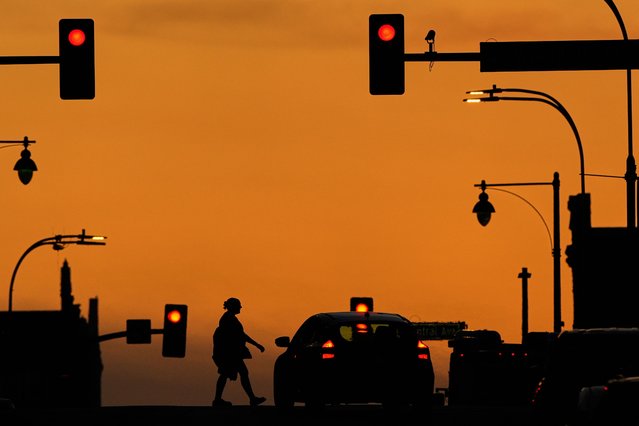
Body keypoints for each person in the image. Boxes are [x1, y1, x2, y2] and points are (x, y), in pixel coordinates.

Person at [212, 297, 266, 407]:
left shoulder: (230, 318)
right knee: (228, 374)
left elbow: (240, 335)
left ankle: (251, 398)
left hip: (231, 353)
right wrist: (256, 345)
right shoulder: (228, 319)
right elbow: (240, 335)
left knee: (235, 373)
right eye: (238, 305)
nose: (240, 307)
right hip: (229, 354)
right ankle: (218, 400)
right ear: (233, 306)